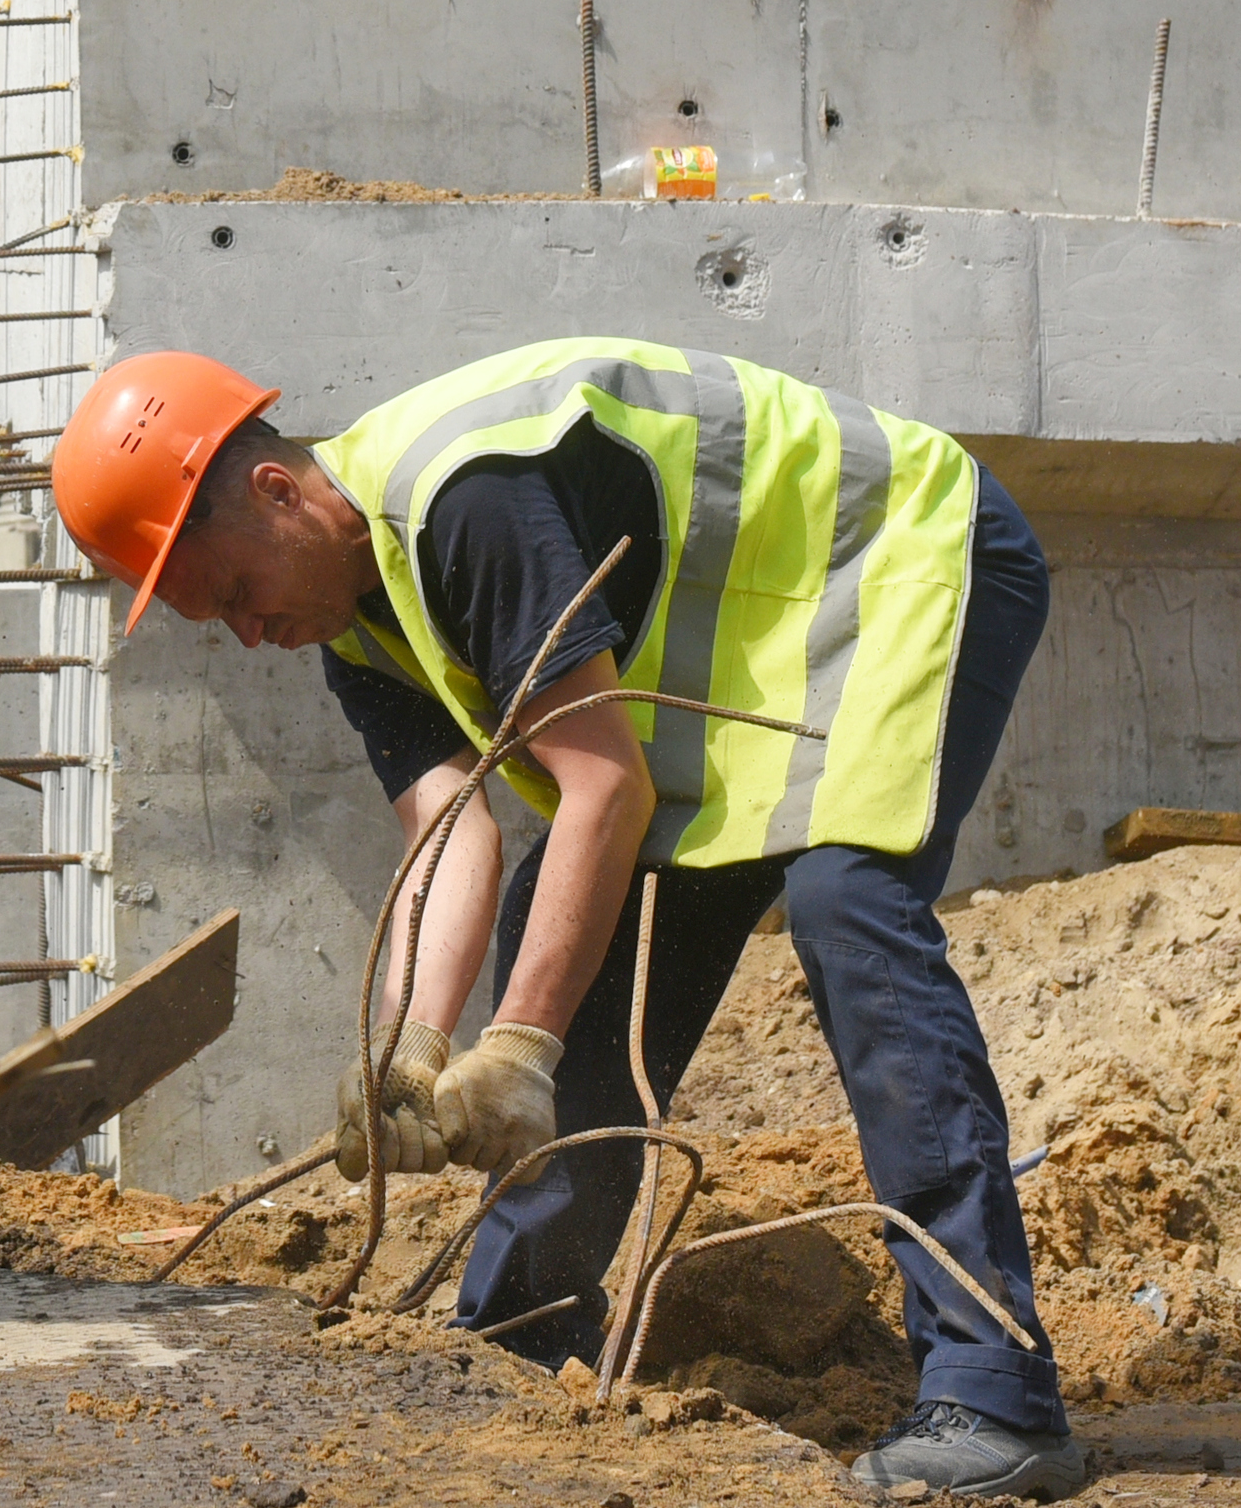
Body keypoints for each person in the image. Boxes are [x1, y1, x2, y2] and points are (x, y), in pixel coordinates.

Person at [52, 342, 1078, 1502]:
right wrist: (409, 1049)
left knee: (849, 901)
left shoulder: (463, 501)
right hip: (743, 662)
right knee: (570, 901)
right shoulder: (349, 611)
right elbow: (451, 830)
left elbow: (603, 788)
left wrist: (523, 1047)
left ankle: (994, 1388)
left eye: (235, 592)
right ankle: (522, 1323)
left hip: (897, 555)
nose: (247, 633)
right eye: (216, 621)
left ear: (276, 492)